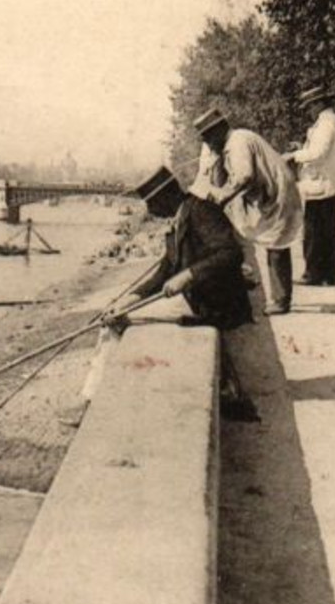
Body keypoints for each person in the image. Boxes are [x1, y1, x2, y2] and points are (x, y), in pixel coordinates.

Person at [110, 165, 257, 420]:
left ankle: (100, 400)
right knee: (116, 314)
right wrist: (134, 297)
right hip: (198, 297)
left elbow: (231, 253)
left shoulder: (202, 211)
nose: (149, 210)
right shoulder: (180, 217)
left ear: (165, 196)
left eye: (150, 202)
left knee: (116, 323)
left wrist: (189, 275)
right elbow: (165, 270)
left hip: (214, 301)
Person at [191, 107, 302, 315]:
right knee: (264, 239)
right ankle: (265, 288)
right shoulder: (232, 142)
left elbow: (244, 176)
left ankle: (281, 300)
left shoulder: (237, 143)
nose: (207, 143)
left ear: (218, 130)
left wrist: (223, 196)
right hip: (271, 194)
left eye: (207, 137)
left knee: (277, 246)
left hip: (277, 194)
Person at [282, 85, 335, 285]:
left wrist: (294, 155)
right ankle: (329, 275)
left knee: (314, 231)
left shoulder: (326, 123)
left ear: (319, 103)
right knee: (327, 232)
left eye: (310, 106)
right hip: (327, 184)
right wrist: (302, 148)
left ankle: (314, 273)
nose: (308, 110)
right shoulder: (329, 121)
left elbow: (319, 153)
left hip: (324, 184)